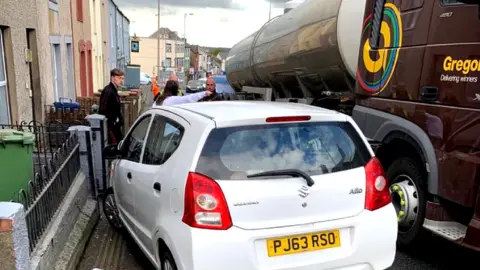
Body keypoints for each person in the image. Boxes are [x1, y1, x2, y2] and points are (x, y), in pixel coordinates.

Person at [99, 68, 124, 144]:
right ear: (112, 78)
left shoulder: (114, 90)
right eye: (119, 78)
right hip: (110, 128)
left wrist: (120, 119)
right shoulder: (108, 91)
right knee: (115, 147)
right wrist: (113, 120)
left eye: (122, 78)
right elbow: (102, 110)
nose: (121, 80)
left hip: (115, 126)